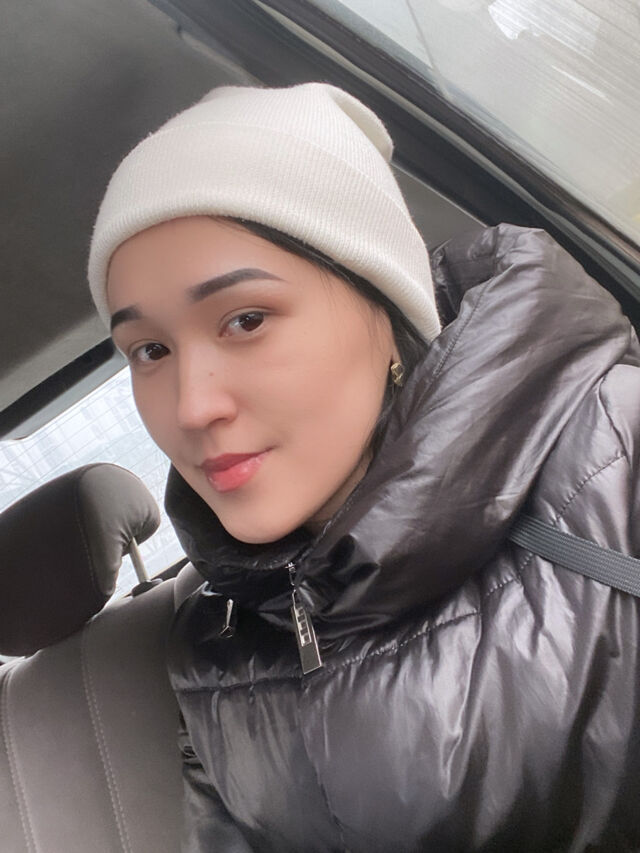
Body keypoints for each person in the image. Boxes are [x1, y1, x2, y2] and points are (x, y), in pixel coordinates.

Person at [88, 83, 640, 852]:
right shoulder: (212, 659)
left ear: (384, 301)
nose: (191, 405)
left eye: (246, 319)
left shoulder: (617, 457)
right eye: (150, 350)